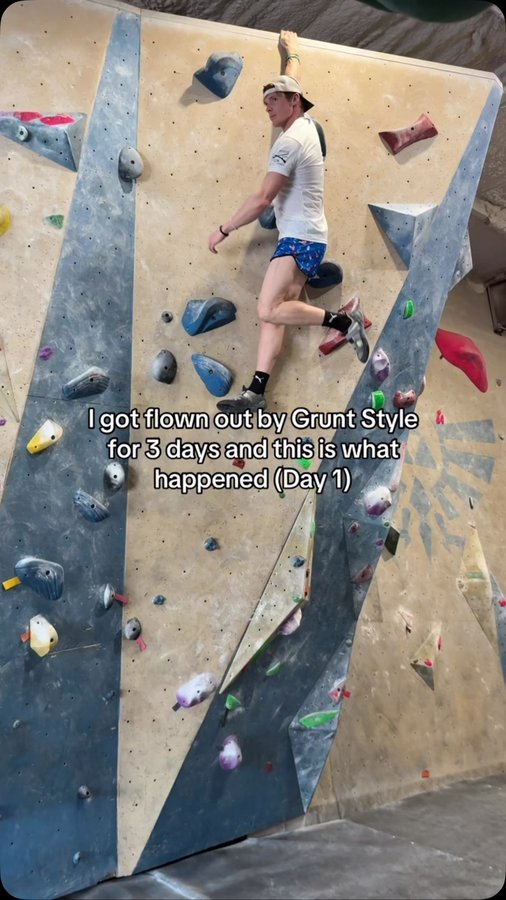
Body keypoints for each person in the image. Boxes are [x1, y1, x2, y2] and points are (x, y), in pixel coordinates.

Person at [208, 30, 369, 413]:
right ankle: (256, 393)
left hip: (299, 238)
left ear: (294, 102)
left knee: (267, 310)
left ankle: (346, 323)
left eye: (273, 101)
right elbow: (294, 84)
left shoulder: (289, 143)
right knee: (275, 316)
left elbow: (263, 197)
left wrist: (225, 228)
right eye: (264, 101)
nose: (267, 107)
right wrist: (291, 53)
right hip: (309, 237)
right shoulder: (306, 126)